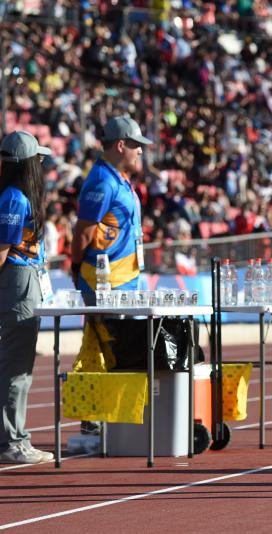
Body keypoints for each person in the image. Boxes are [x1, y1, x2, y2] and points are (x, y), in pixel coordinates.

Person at [70, 115, 152, 435]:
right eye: (136, 146)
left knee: (117, 349)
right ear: (121, 145)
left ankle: (112, 414)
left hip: (124, 278)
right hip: (105, 281)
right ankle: (94, 418)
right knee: (105, 348)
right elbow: (82, 233)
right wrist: (77, 268)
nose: (141, 152)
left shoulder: (119, 178)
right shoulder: (102, 181)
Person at [0, 130, 55, 463]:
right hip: (20, 280)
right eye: (38, 159)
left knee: (15, 364)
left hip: (24, 278)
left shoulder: (13, 195)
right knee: (17, 367)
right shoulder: (14, 198)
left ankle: (11, 438)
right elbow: (2, 250)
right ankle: (13, 442)